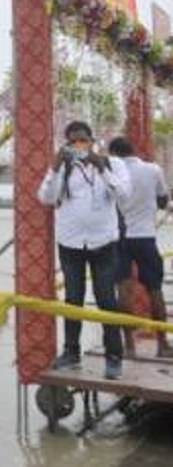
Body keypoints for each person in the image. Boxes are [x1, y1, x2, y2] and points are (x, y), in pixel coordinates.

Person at [37, 120, 132, 380]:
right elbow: (46, 197)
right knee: (72, 299)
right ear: (67, 144)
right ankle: (71, 352)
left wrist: (101, 167)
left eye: (82, 140)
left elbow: (124, 195)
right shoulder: (63, 167)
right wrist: (56, 167)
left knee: (106, 299)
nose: (79, 145)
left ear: (92, 140)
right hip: (71, 243)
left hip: (104, 243)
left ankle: (114, 357)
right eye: (73, 142)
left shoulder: (114, 164)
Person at [107, 135, 173, 358]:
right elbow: (163, 201)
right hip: (145, 237)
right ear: (132, 150)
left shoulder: (111, 172)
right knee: (155, 289)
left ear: (114, 154)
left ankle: (129, 347)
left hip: (119, 237)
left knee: (123, 290)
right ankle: (163, 344)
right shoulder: (153, 170)